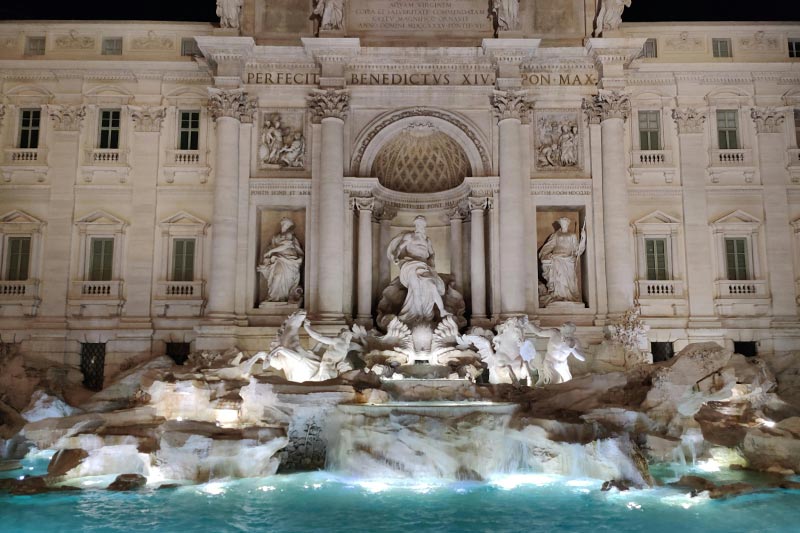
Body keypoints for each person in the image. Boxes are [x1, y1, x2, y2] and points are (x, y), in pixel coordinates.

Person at [386, 215, 450, 325]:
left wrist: (432, 263)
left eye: (422, 224)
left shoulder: (427, 240)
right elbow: (399, 248)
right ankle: (417, 316)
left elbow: (432, 253)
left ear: (424, 226)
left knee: (432, 286)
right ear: (415, 225)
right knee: (415, 289)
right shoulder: (410, 236)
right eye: (418, 224)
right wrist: (396, 256)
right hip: (411, 266)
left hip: (424, 266)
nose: (420, 227)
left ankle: (441, 310)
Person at [539, 217, 586, 305]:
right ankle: (558, 296)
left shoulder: (572, 235)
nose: (564, 225)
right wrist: (545, 255)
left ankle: (569, 297)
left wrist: (583, 239)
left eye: (565, 223)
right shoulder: (556, 235)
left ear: (568, 224)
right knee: (558, 278)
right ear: (560, 224)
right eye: (562, 223)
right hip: (557, 258)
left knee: (569, 280)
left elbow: (577, 250)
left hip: (568, 260)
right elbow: (549, 246)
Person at [257, 218, 304, 302]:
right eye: (283, 224)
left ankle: (283, 298)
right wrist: (268, 253)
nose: (284, 226)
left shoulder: (290, 235)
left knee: (283, 278)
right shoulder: (276, 237)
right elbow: (271, 247)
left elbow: (287, 246)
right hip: (277, 260)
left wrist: (272, 251)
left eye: (286, 224)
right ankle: (273, 297)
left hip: (289, 262)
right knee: (277, 276)